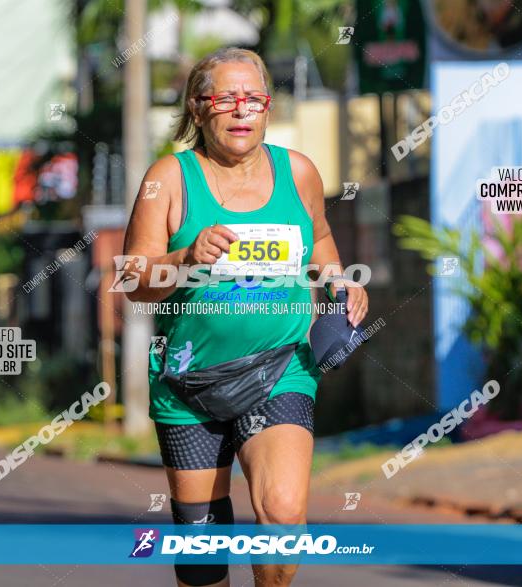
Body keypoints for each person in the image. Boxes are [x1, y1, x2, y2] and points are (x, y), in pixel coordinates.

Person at [122, 48, 368, 587]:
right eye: (224, 99)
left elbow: (321, 241)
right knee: (202, 557)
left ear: (268, 108)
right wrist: (184, 258)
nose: (240, 111)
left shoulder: (297, 172)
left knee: (282, 514)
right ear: (197, 108)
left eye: (252, 99)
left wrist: (337, 280)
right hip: (189, 381)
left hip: (279, 370)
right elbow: (133, 281)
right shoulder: (168, 178)